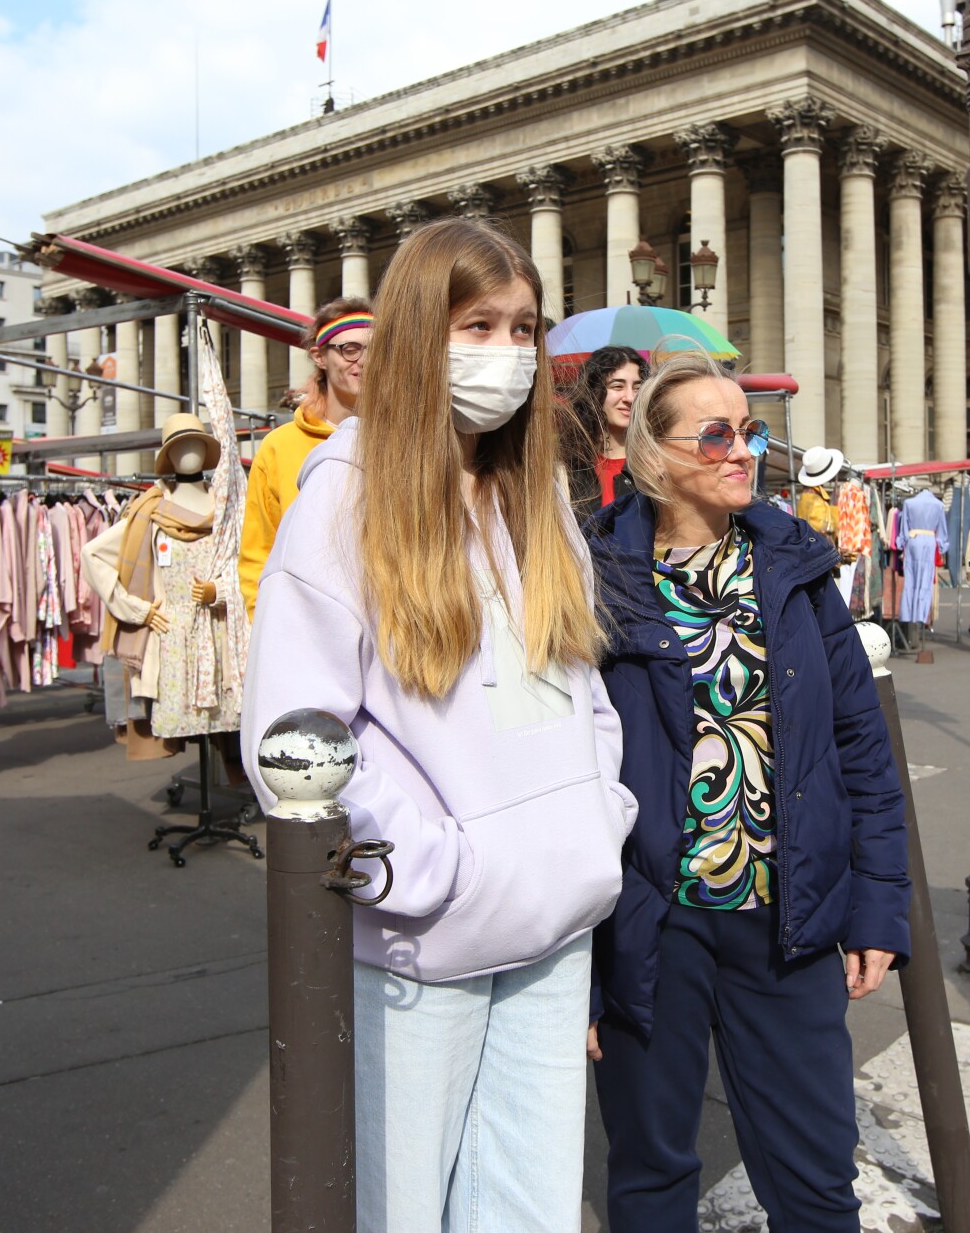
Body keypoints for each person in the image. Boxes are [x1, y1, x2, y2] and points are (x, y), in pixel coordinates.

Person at [240, 218, 636, 1231]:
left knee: (530, 1207)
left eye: (523, 329)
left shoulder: (532, 488)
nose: (506, 353)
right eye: (478, 324)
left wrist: (599, 813)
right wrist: (430, 869)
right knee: (399, 1207)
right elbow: (295, 734)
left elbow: (579, 678)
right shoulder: (341, 497)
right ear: (421, 333)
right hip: (427, 934)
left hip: (555, 910)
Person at [583, 350, 911, 1231]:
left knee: (815, 1175)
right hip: (650, 926)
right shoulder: (593, 578)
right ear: (654, 453)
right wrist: (576, 972)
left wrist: (878, 906)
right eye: (717, 433)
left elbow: (862, 752)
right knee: (651, 1171)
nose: (744, 451)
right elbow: (562, 775)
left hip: (788, 917)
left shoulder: (796, 571)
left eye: (751, 430)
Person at [236, 297, 371, 614]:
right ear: (319, 357)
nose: (364, 361)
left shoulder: (400, 439)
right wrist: (266, 628)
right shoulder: (279, 446)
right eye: (350, 349)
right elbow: (258, 553)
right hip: (306, 628)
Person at [564, 344, 648, 519]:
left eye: (637, 388)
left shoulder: (654, 465)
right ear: (594, 392)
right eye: (617, 387)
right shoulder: (567, 467)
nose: (630, 398)